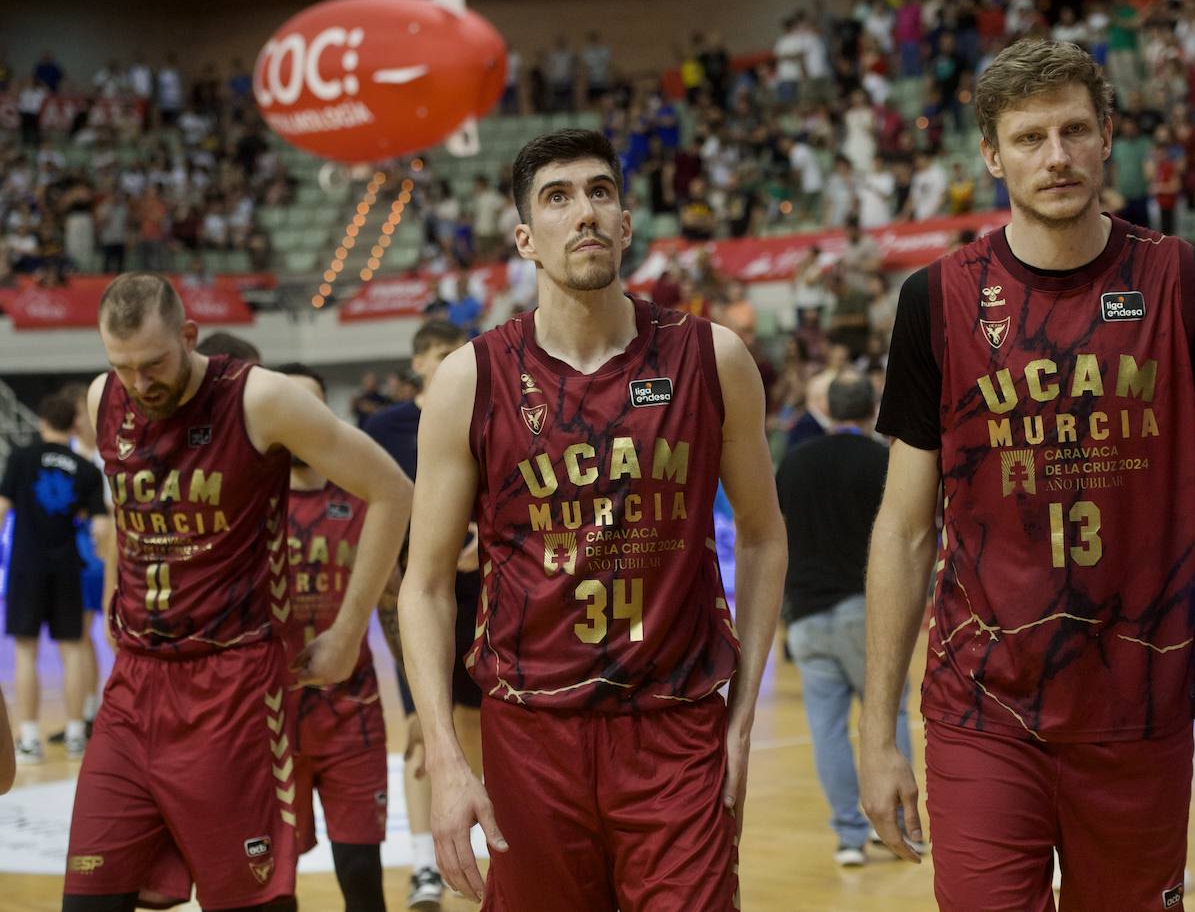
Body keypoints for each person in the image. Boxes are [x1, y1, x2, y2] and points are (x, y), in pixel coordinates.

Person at [860, 40, 1195, 912]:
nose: (1054, 156)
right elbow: (905, 528)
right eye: (1028, 138)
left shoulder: (1183, 280)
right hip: (981, 705)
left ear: (1107, 136)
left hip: (1139, 699)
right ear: (992, 155)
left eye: (1072, 131)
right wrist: (875, 731)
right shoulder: (935, 301)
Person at [397, 129, 788, 907]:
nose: (585, 213)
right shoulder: (469, 380)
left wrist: (739, 722)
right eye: (558, 197)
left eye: (601, 193)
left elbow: (765, 534)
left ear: (627, 222)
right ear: (525, 239)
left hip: (677, 728)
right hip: (531, 735)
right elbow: (426, 585)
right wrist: (445, 759)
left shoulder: (712, 357)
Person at [63, 272, 412, 912]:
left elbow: (392, 490)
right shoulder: (100, 399)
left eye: (154, 364)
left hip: (232, 684)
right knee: (86, 901)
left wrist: (343, 633)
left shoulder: (260, 399)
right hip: (135, 683)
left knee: (251, 902)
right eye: (123, 368)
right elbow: (131, 528)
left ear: (190, 337)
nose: (139, 385)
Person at [361, 319, 479, 911]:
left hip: (487, 597)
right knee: (421, 735)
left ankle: (477, 849)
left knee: (481, 730)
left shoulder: (489, 409)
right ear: (416, 363)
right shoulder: (384, 428)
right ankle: (424, 864)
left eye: (459, 351)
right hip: (417, 597)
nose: (452, 360)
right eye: (440, 353)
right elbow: (369, 512)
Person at [775, 372, 912, 866]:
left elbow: (779, 534)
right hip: (866, 612)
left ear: (829, 410)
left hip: (807, 617)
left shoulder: (794, 463)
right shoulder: (885, 461)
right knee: (890, 716)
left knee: (827, 730)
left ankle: (849, 837)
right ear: (872, 409)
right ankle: (898, 830)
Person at [276, 364, 390, 912]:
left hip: (353, 711)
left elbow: (393, 603)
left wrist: (418, 708)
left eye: (311, 408)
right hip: (270, 718)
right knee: (272, 883)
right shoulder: (250, 502)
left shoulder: (369, 495)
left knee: (362, 871)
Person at [1, 392, 108, 764]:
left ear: (42, 421)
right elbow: (100, 529)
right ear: (75, 424)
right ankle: (78, 733)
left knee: (26, 652)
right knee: (74, 647)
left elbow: (1, 510)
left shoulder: (21, 458)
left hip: (25, 567)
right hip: (68, 569)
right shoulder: (86, 469)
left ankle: (29, 739)